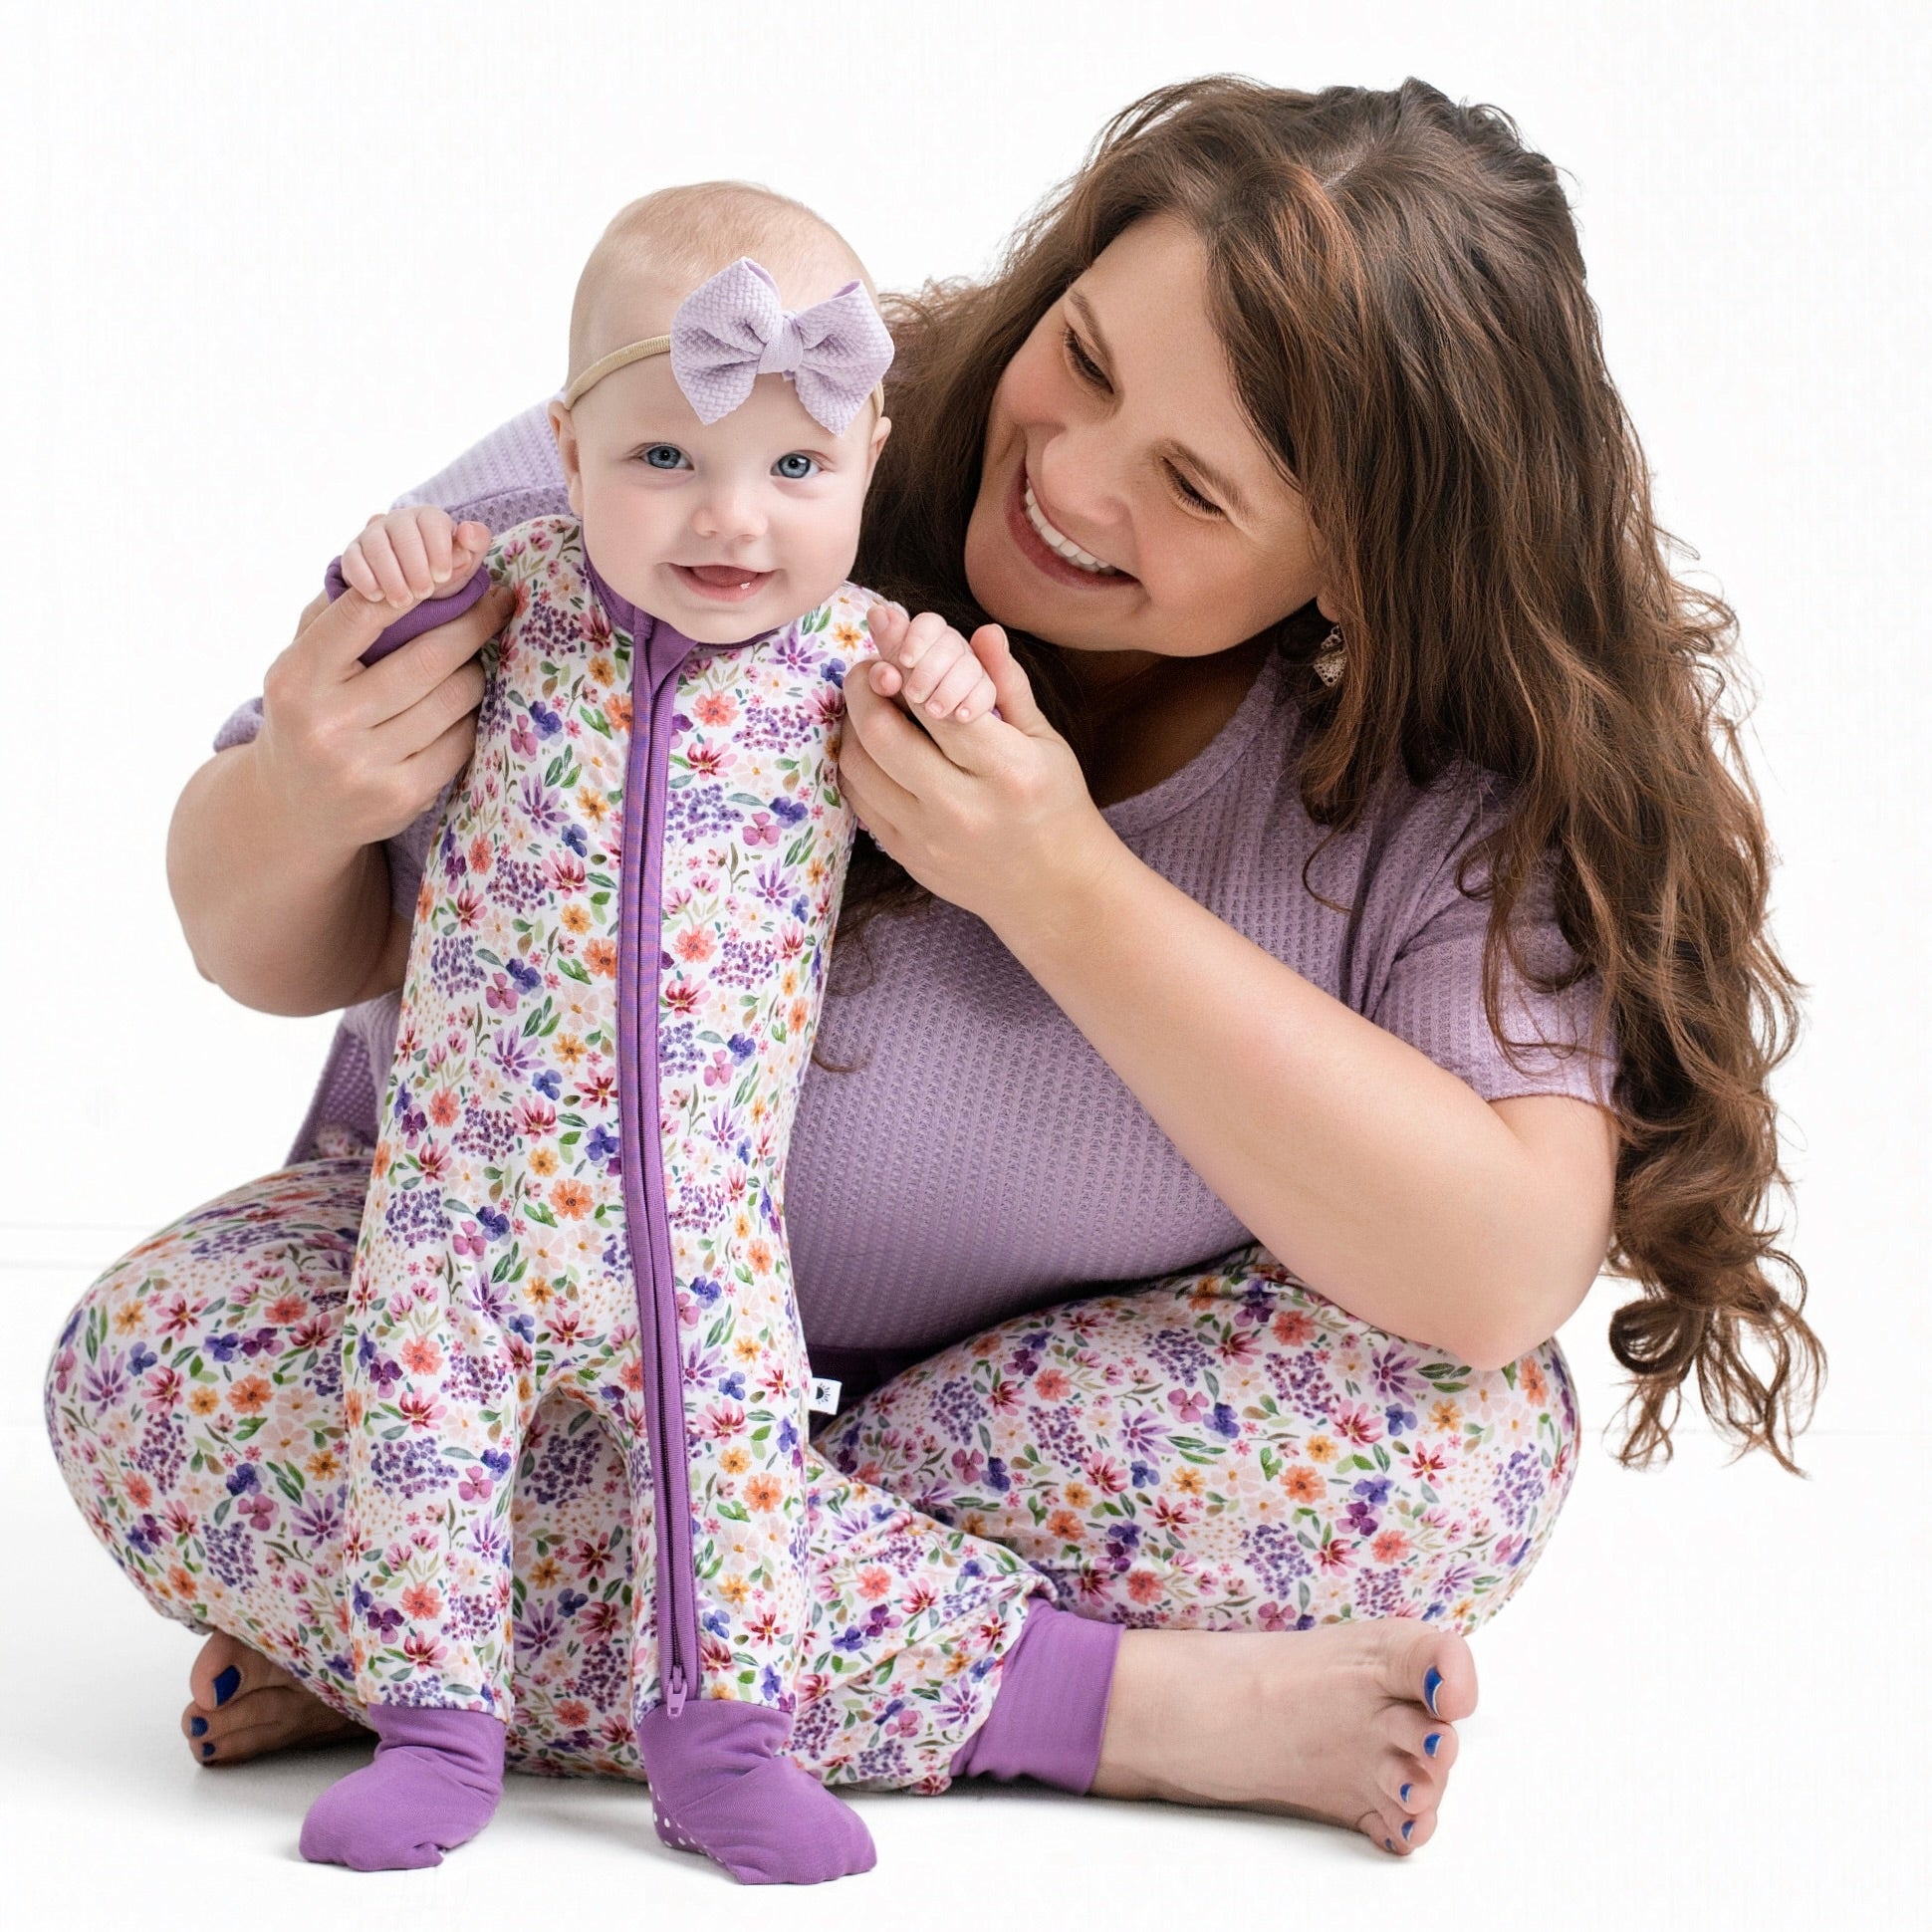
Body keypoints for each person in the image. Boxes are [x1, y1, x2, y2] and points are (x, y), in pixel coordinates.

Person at [44, 75, 1820, 1869]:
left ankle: (461, 1627)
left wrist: (1059, 886)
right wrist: (300, 788)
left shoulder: (1434, 784)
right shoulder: (731, 430)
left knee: (1458, 1448)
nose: (1066, 477)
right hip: (512, 1311)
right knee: (151, 1370)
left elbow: (1501, 1271)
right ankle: (1102, 1705)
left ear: (1360, 564)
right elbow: (242, 928)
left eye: (1194, 488)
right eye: (1089, 361)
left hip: (1007, 1423)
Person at [297, 185, 1017, 1882]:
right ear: (564, 442)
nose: (732, 522)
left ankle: (721, 1735)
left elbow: (977, 801)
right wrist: (383, 575)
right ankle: (432, 1721)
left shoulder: (859, 660)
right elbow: (357, 646)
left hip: (698, 1221)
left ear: (870, 458)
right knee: (419, 1439)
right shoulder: (509, 599)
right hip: (460, 1206)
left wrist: (970, 700)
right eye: (666, 462)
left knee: (733, 1463)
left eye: (794, 470)